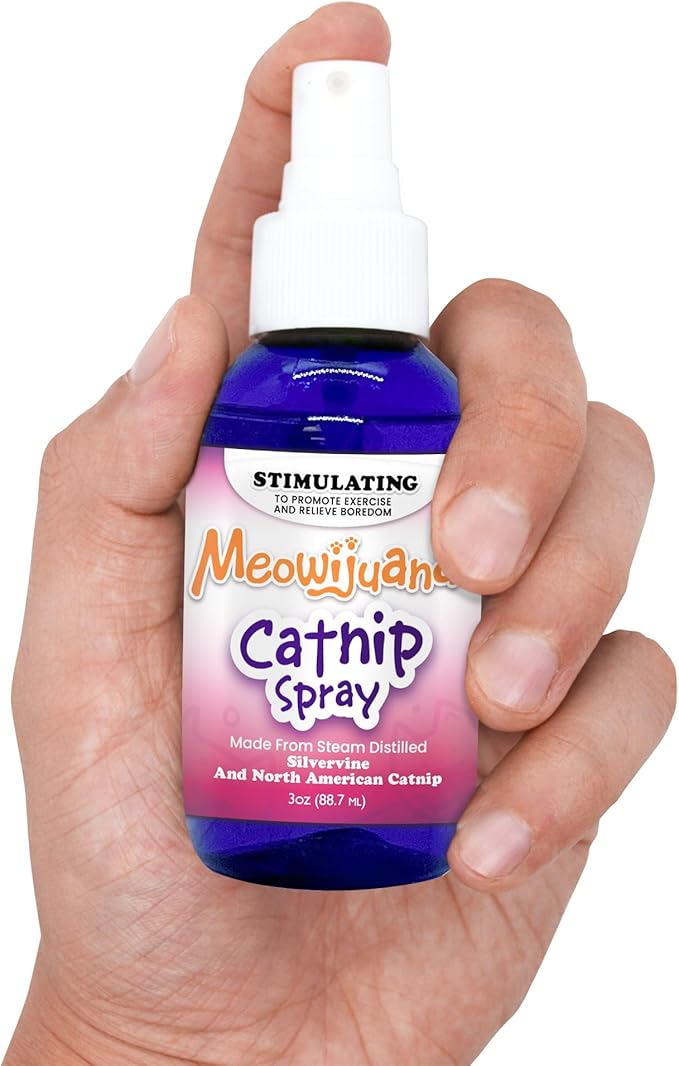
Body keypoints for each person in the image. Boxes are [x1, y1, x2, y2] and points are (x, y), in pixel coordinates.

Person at [5, 4, 675, 1064]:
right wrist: (121, 1040)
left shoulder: (421, 392)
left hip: (409, 813)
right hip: (221, 859)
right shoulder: (248, 388)